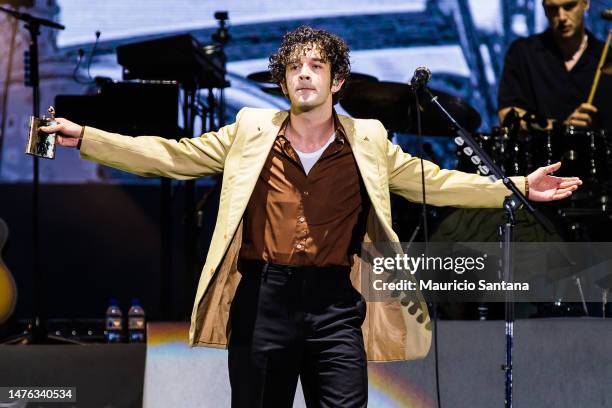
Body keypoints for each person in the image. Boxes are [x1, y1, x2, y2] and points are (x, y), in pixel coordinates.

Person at [41, 26, 581, 408]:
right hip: (263, 300)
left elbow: (438, 182)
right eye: (294, 67)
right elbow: (170, 155)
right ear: (282, 82)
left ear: (337, 81)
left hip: (335, 307)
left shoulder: (368, 138)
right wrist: (87, 137)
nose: (304, 74)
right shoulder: (250, 128)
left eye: (316, 66)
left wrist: (515, 187)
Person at [498, 0, 612, 130]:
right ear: (544, 9)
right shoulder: (523, 54)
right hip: (539, 149)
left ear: (585, 3)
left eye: (569, 6)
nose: (562, 17)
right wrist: (561, 127)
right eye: (553, 9)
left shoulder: (607, 57)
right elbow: (507, 117)